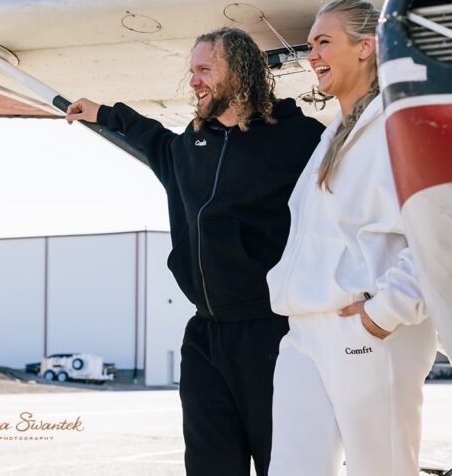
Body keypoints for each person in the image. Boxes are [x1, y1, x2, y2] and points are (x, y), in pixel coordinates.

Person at [65, 27, 324, 476]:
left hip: (273, 334)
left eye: (205, 70)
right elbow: (155, 143)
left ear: (240, 72)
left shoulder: (299, 139)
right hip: (205, 334)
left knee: (281, 463)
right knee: (209, 464)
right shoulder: (191, 145)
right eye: (192, 71)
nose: (194, 82)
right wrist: (105, 113)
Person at [266, 0, 437, 476]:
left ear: (367, 47)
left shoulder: (403, 122)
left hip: (367, 327)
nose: (311, 54)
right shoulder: (333, 134)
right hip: (304, 330)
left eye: (324, 41)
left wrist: (385, 313)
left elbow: (437, 228)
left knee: (381, 470)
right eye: (309, 44)